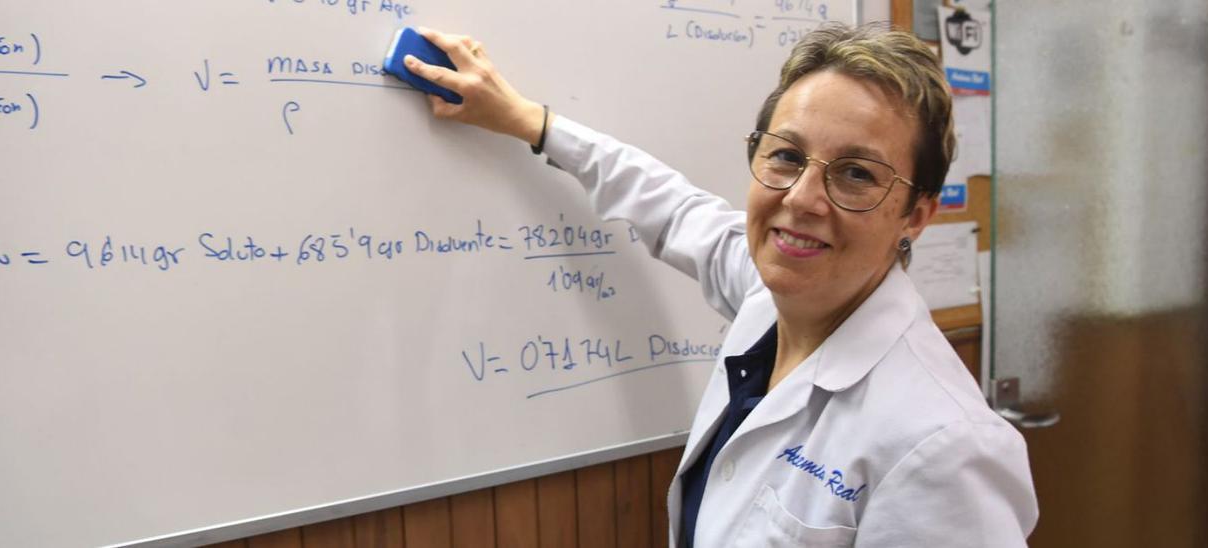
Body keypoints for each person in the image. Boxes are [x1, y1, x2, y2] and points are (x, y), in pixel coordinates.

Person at [404, 22, 1038, 547]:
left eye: (855, 175)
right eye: (786, 156)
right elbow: (670, 206)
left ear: (916, 215)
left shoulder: (946, 447)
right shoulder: (772, 298)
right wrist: (529, 121)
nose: (803, 199)